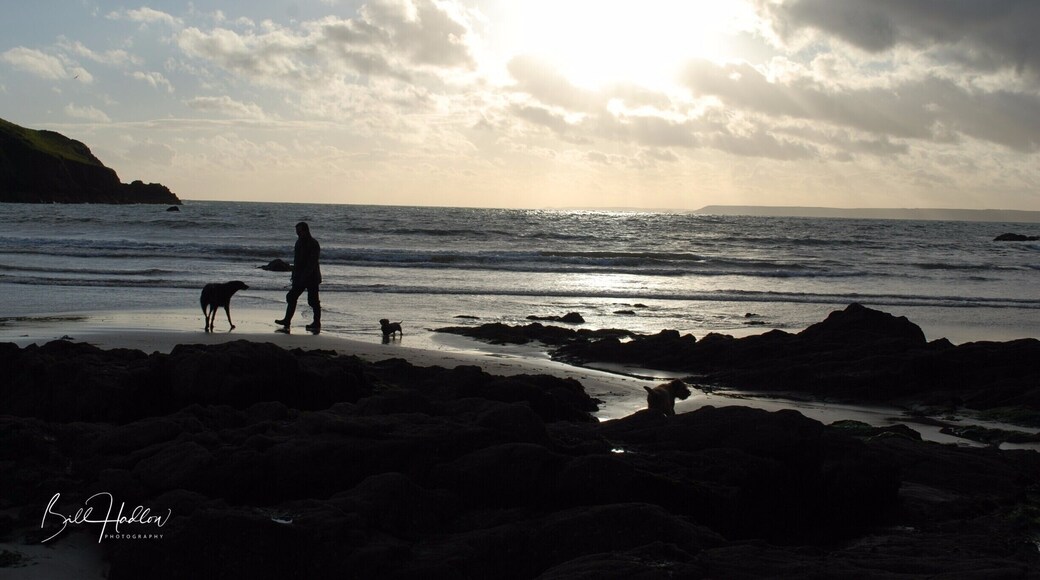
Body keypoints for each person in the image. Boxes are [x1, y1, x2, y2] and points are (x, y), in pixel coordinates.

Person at [276, 221, 321, 331]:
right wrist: (294, 274)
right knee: (291, 297)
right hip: (300, 276)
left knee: (313, 301)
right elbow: (297, 261)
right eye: (297, 231)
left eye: (299, 231)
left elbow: (312, 262)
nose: (298, 233)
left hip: (312, 277)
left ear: (305, 231)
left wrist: (304, 276)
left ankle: (316, 322)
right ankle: (287, 320)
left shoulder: (313, 243)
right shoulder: (298, 242)